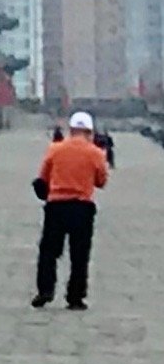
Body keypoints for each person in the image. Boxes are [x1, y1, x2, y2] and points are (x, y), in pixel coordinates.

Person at [31, 110, 110, 310]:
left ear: (71, 129)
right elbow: (101, 182)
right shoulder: (96, 153)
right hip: (82, 207)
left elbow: (43, 178)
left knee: (49, 251)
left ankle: (45, 290)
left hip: (56, 206)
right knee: (80, 255)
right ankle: (75, 297)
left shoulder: (55, 149)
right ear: (90, 131)